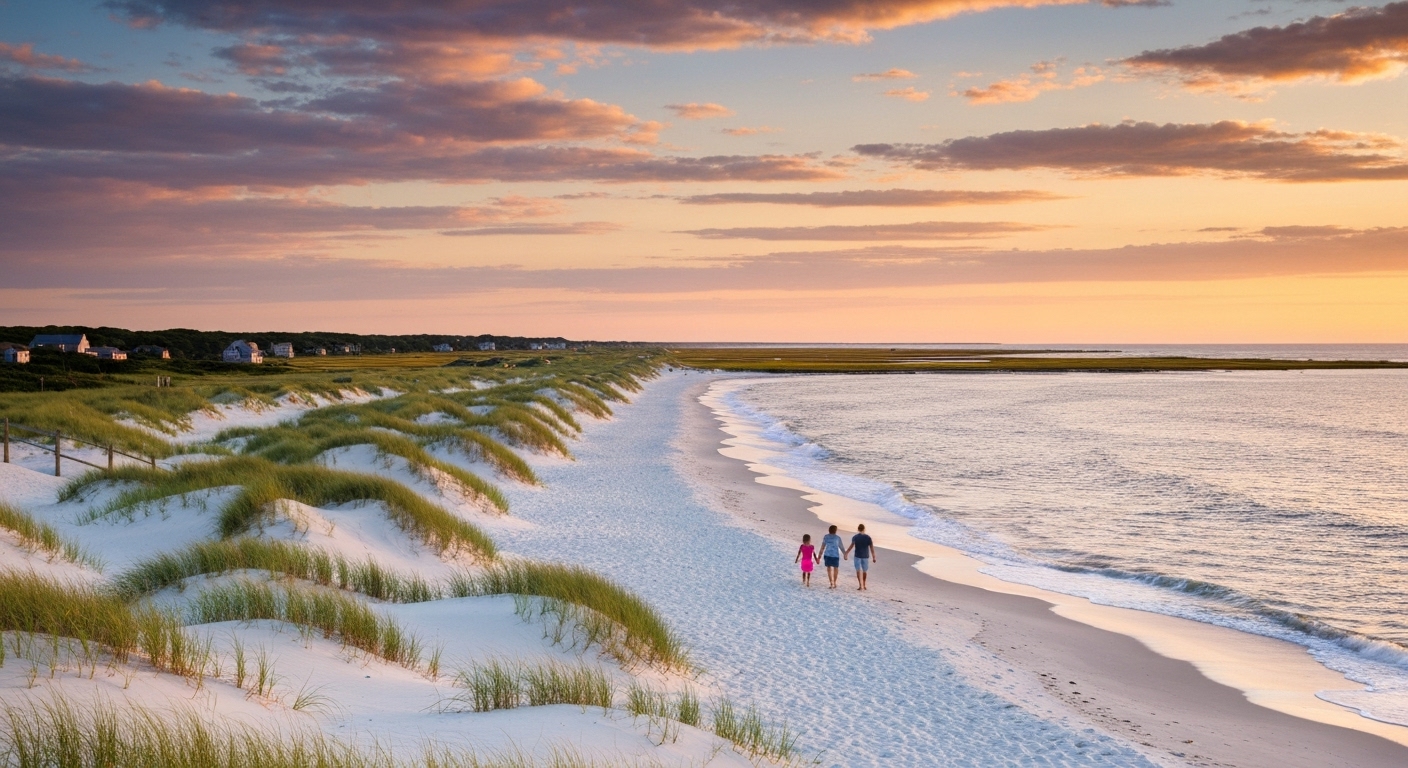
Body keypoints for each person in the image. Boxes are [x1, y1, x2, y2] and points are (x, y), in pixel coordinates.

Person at [844, 523, 877, 591]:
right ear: (864, 529)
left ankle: (860, 585)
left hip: (857, 555)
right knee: (864, 571)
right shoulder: (868, 537)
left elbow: (851, 547)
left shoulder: (855, 537)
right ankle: (864, 585)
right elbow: (871, 548)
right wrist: (874, 557)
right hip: (865, 556)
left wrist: (846, 553)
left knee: (858, 570)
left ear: (858, 529)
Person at [820, 524, 844, 589]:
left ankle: (831, 582)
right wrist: (845, 554)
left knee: (829, 568)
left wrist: (819, 556)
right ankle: (834, 582)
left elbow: (822, 546)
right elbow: (841, 547)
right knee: (836, 568)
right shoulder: (837, 538)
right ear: (835, 531)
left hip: (827, 554)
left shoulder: (826, 537)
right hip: (835, 555)